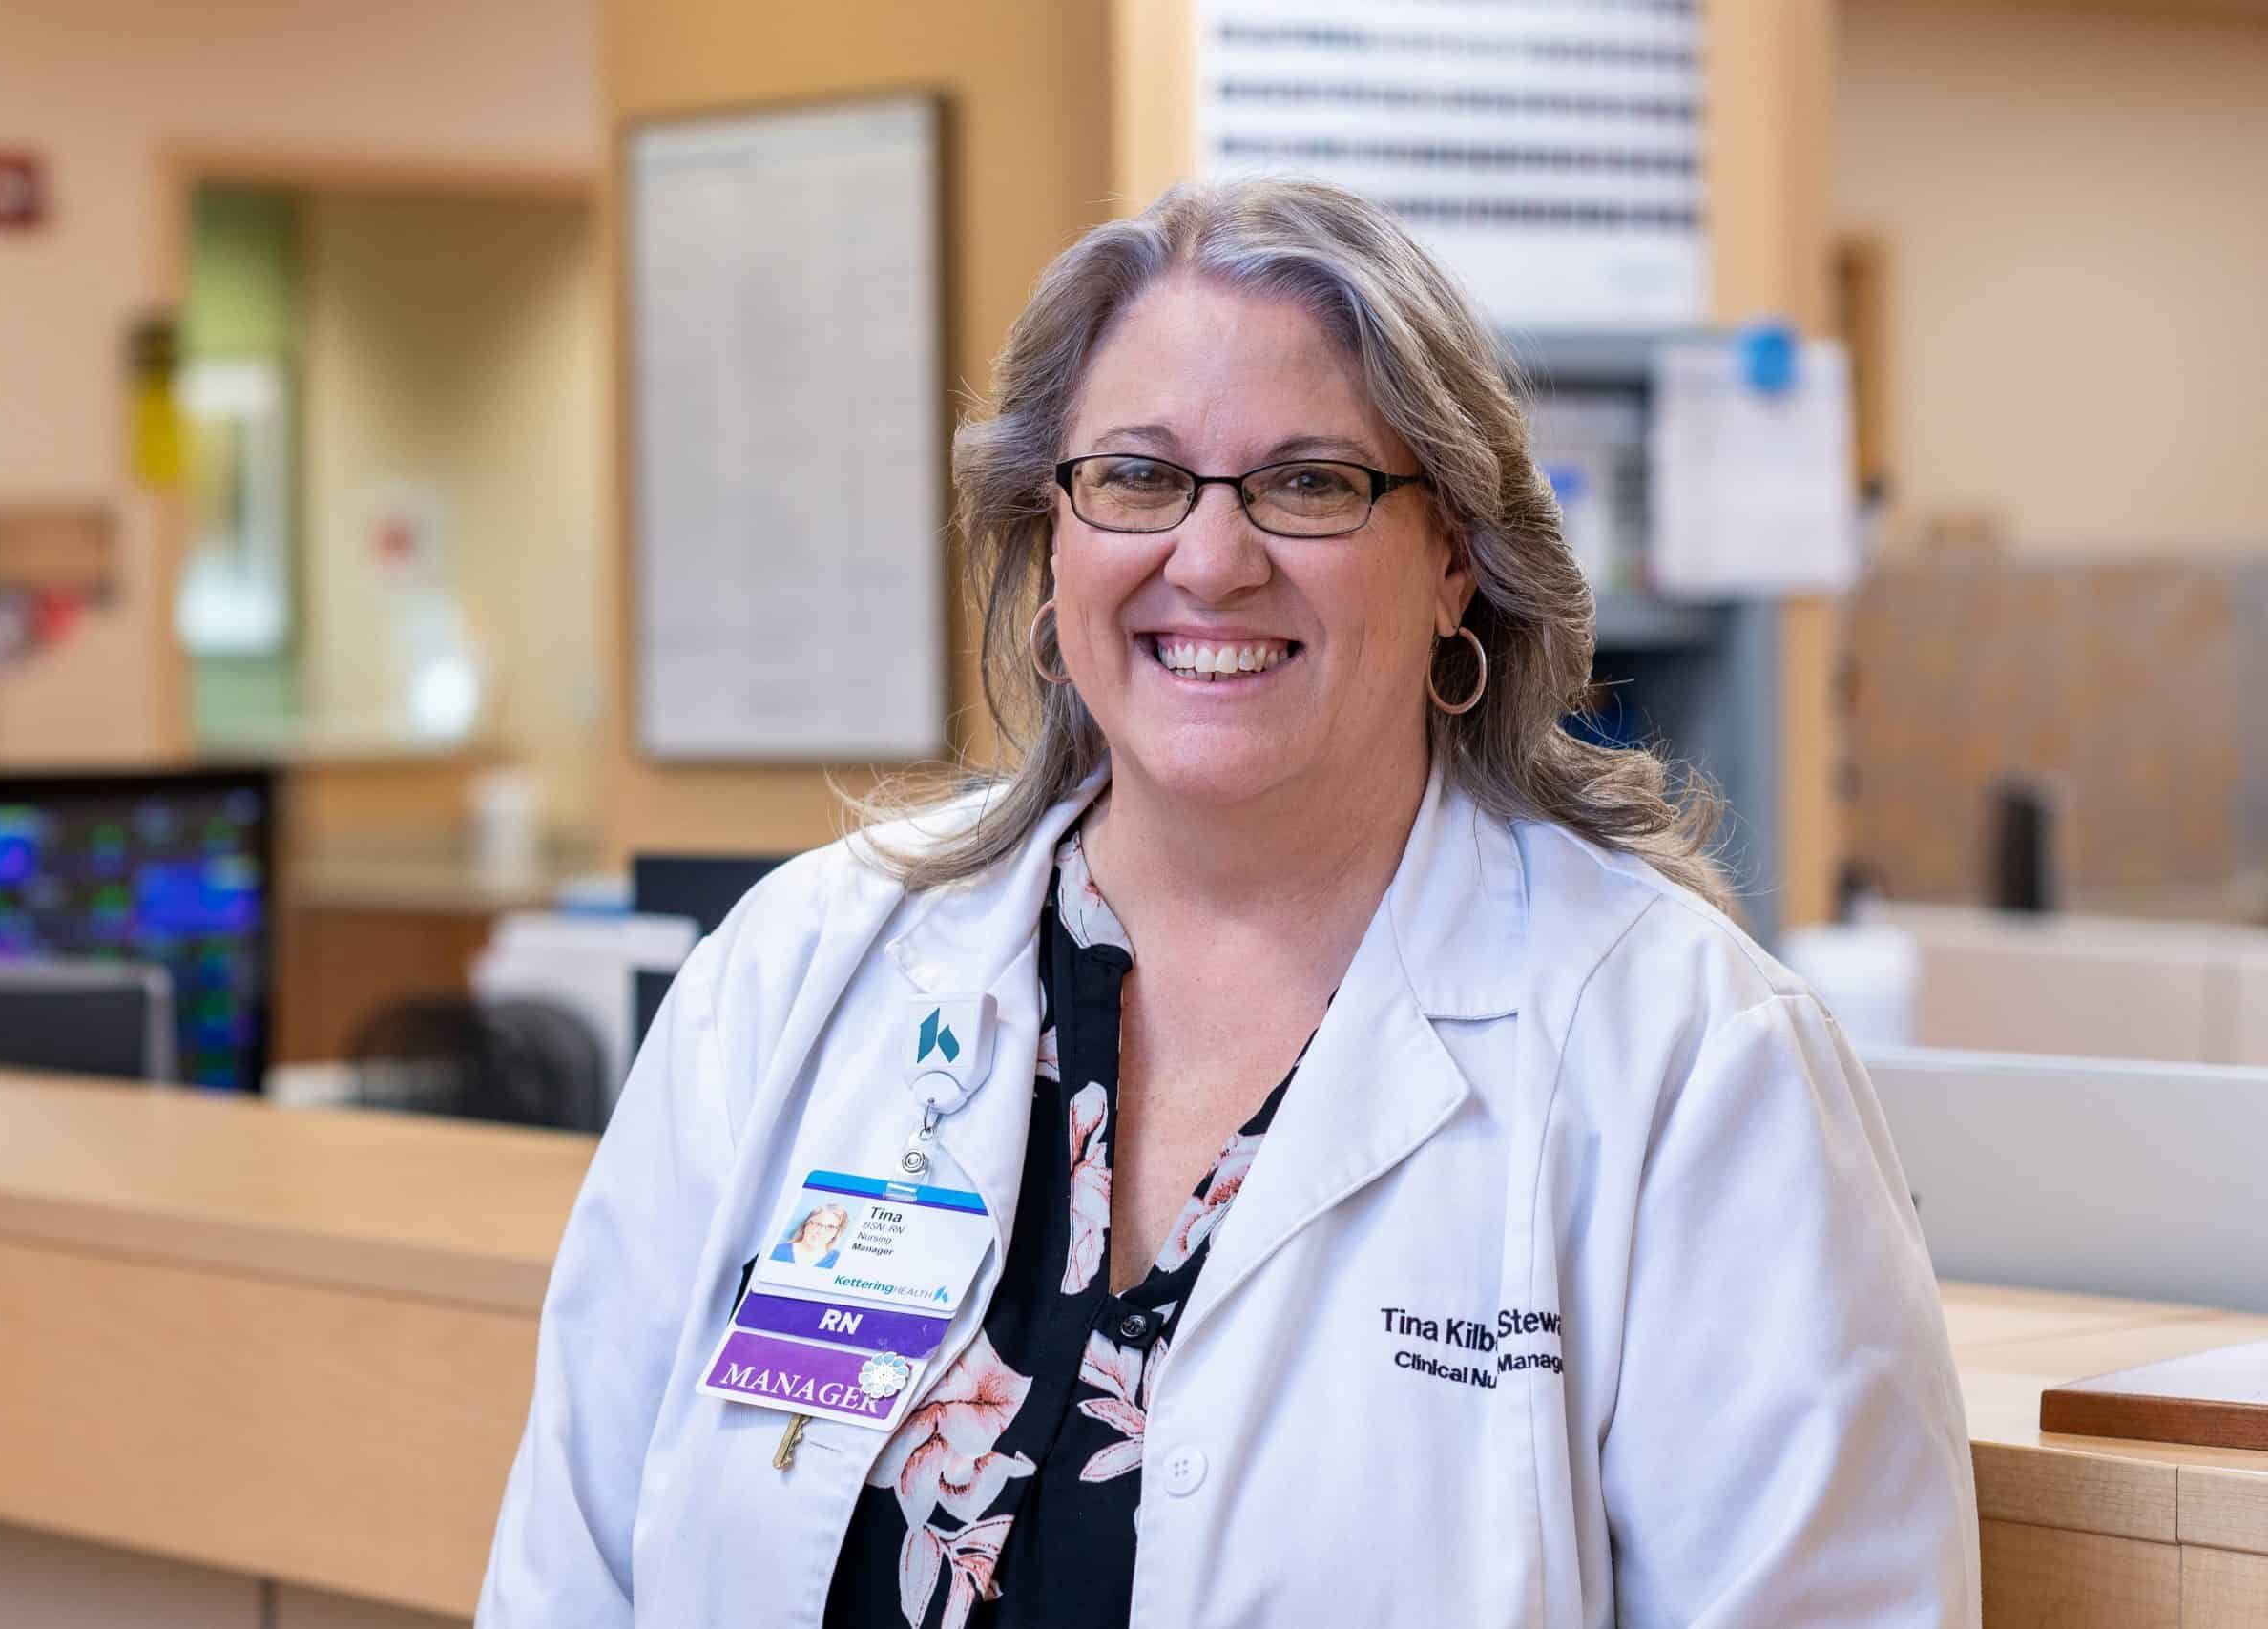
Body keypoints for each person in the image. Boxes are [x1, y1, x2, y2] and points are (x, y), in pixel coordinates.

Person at [479, 178, 1979, 1627]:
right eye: (1135, 476)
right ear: (1049, 536)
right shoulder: (794, 976)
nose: (1210, 557)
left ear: (1457, 555)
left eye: (1310, 483)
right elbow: (574, 1571)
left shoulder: (1690, 1062)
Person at [770, 1202, 851, 1269]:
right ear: (806, 1224)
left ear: (836, 1233)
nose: (821, 1231)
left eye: (830, 1227)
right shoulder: (776, 1251)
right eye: (817, 1224)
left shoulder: (839, 1261)